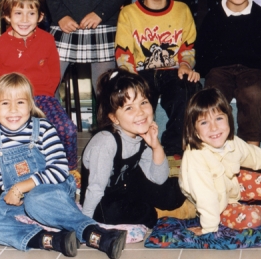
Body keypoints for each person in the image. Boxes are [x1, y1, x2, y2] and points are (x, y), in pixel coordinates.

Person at [0, 74, 126, 259]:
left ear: (30, 105)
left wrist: (20, 187)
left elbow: (60, 169)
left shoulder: (43, 128)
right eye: (5, 103)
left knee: (35, 200)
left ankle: (98, 235)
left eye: (20, 102)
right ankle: (52, 239)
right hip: (16, 200)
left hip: (51, 191)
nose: (13, 110)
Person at [178, 88, 261, 235]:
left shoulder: (231, 142)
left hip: (233, 183)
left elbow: (254, 155)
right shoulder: (195, 158)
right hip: (217, 204)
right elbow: (206, 198)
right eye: (204, 122)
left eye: (218, 118)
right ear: (195, 130)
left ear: (228, 118)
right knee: (252, 218)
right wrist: (208, 228)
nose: (214, 127)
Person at [0, 0, 78, 172]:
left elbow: (54, 74)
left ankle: (69, 170)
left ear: (40, 16)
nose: (24, 19)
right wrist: (1, 103)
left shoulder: (47, 40)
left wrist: (44, 96)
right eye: (18, 13)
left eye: (31, 13)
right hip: (10, 100)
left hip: (42, 98)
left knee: (67, 129)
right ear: (7, 16)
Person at [80, 70, 191, 228]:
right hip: (104, 196)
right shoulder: (106, 142)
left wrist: (156, 146)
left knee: (170, 195)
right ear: (114, 118)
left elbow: (158, 179)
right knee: (134, 213)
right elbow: (96, 188)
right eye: (129, 108)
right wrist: (84, 224)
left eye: (144, 102)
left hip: (127, 185)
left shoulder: (141, 135)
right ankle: (153, 212)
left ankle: (196, 189)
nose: (140, 112)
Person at [115, 0, 199, 155]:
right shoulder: (129, 13)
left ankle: (172, 149)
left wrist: (187, 66)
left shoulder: (182, 10)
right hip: (140, 73)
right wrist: (131, 78)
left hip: (173, 70)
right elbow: (123, 53)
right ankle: (137, 149)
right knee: (133, 97)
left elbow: (188, 47)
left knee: (189, 89)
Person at [195, 0, 261, 146]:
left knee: (253, 93)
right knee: (213, 95)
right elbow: (203, 48)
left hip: (252, 70)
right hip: (220, 70)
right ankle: (218, 142)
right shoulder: (212, 16)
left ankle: (251, 145)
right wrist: (203, 69)